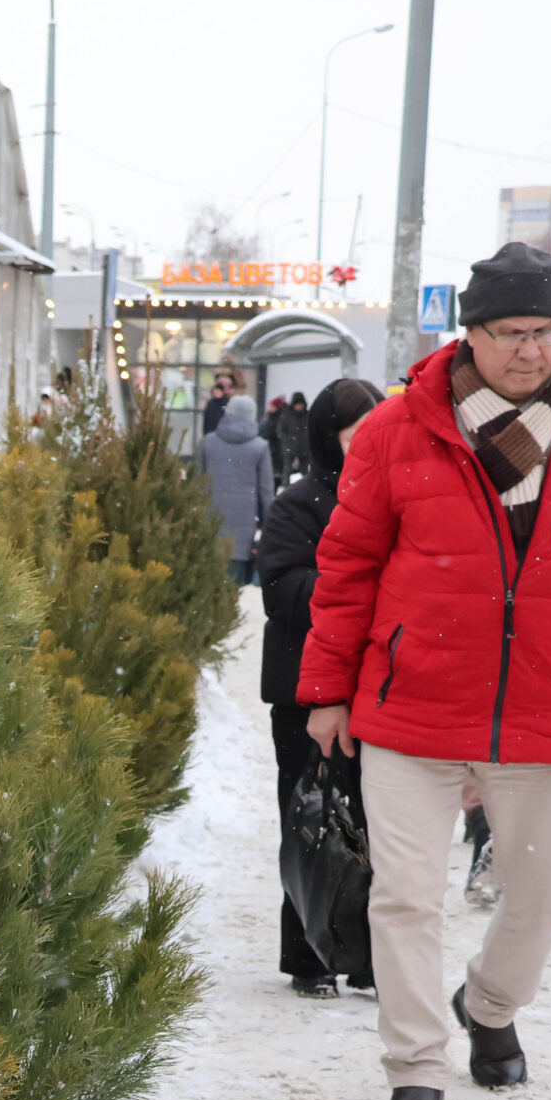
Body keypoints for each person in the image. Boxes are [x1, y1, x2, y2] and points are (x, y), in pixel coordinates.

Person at [298, 242, 551, 1100]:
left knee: (544, 895)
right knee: (406, 896)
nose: (529, 349)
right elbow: (347, 565)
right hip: (411, 704)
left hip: (543, 706)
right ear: (471, 334)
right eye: (510, 332)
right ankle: (416, 1072)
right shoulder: (399, 429)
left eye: (544, 331)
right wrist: (328, 688)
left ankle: (490, 1003)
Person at [256, 377, 386, 998]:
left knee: (379, 826)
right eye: (356, 436)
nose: (367, 447)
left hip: (379, 689)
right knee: (311, 820)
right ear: (329, 438)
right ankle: (307, 953)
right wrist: (350, 589)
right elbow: (279, 587)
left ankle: (368, 957)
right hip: (304, 691)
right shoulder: (299, 504)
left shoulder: (392, 497)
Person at [202, 393, 274, 586]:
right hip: (244, 527)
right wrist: (269, 524)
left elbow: (195, 484)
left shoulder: (208, 443)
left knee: (209, 584)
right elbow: (266, 491)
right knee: (234, 585)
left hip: (210, 523)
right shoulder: (260, 447)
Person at [202, 370, 237, 440]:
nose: (217, 393)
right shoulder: (210, 403)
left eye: (218, 391)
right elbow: (206, 418)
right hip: (211, 431)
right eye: (215, 391)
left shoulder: (227, 403)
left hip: (223, 433)